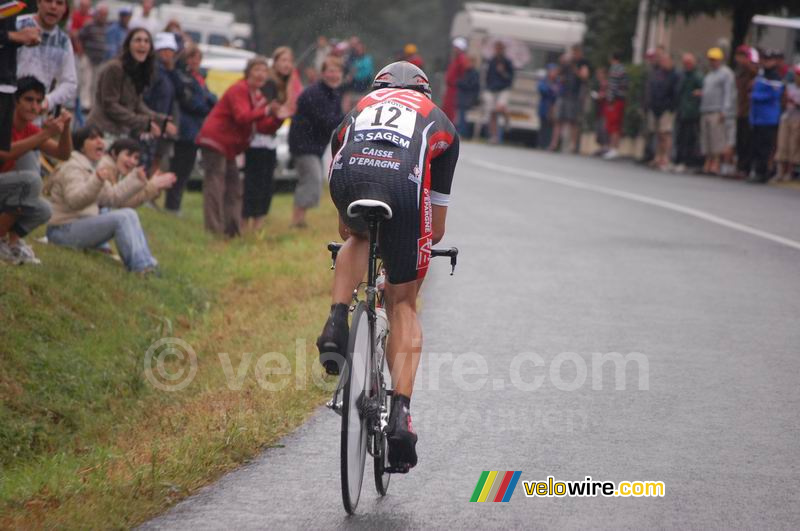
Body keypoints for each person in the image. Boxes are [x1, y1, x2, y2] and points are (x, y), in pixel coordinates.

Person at [318, 61, 460, 472]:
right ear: (425, 93)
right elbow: (434, 231)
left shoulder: (361, 104)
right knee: (403, 303)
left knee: (357, 235)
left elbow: (337, 143)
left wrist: (349, 219)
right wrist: (411, 254)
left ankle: (335, 323)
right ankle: (400, 415)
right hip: (403, 184)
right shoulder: (440, 120)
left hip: (348, 177)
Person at [195, 56, 288, 237]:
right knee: (215, 185)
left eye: (264, 71)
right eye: (257, 70)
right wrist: (267, 110)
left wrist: (278, 117)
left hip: (228, 147)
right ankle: (213, 231)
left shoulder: (258, 96)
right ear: (248, 72)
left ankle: (232, 232)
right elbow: (242, 116)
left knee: (234, 188)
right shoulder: (239, 89)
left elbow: (262, 127)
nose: (261, 74)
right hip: (215, 140)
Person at [46, 126, 159, 273]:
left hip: (76, 226)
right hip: (61, 231)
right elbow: (75, 201)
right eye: (93, 138)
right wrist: (97, 181)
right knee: (122, 218)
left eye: (101, 137)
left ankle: (145, 263)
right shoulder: (73, 166)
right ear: (81, 146)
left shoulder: (92, 167)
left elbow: (113, 198)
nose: (100, 141)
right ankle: (139, 268)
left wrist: (135, 179)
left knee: (129, 213)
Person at [0, 77, 72, 264]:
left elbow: (62, 154)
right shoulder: (3, 121)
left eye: (39, 101)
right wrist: (45, 134)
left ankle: (12, 244)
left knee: (44, 209)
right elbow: (5, 153)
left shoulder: (31, 129)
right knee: (31, 182)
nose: (34, 106)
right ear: (16, 101)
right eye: (28, 99)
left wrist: (65, 129)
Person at [243, 46, 299, 231]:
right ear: (274, 63)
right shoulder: (269, 83)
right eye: (283, 60)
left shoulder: (283, 84)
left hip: (270, 140)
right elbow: (262, 114)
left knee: (266, 185)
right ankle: (246, 227)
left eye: (289, 61)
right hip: (258, 140)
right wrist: (277, 117)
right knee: (255, 185)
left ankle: (257, 227)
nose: (287, 64)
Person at [287, 55, 344, 228]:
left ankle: (300, 219)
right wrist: (348, 119)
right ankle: (297, 220)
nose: (334, 75)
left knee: (314, 179)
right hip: (303, 145)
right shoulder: (316, 93)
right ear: (323, 73)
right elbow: (327, 121)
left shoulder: (332, 93)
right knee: (311, 179)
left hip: (314, 146)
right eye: (330, 71)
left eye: (337, 71)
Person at [87, 28, 175, 139]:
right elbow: (110, 105)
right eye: (138, 40)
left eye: (146, 41)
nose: (142, 44)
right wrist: (144, 123)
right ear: (128, 45)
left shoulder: (137, 71)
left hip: (120, 132)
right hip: (100, 131)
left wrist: (161, 121)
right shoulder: (115, 68)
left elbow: (137, 104)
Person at [166, 43, 216, 214]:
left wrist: (208, 102)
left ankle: (176, 204)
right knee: (179, 167)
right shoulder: (184, 78)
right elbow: (193, 102)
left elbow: (211, 97)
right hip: (186, 129)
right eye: (192, 57)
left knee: (186, 169)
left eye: (198, 58)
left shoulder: (199, 78)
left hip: (196, 130)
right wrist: (208, 106)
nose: (195, 61)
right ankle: (172, 204)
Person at [16, 0, 78, 121]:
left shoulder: (63, 41)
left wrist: (48, 101)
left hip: (35, 113)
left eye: (59, 3)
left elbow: (70, 82)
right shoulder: (18, 25)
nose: (53, 7)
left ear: (65, 9)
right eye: (49, 1)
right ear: (38, 2)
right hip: (8, 103)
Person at [97, 137, 176, 208]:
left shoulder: (113, 169)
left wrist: (153, 186)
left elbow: (123, 202)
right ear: (114, 153)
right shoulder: (105, 168)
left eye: (136, 158)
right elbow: (119, 202)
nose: (132, 161)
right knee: (127, 214)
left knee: (128, 214)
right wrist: (152, 185)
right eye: (128, 155)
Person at [143, 32, 180, 173]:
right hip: (152, 125)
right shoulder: (154, 71)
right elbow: (147, 99)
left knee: (156, 163)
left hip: (163, 126)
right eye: (165, 50)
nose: (168, 54)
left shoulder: (169, 72)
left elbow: (177, 94)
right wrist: (158, 122)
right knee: (147, 164)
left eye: (171, 51)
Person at [748, 50, 785, 184]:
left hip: (768, 118)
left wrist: (755, 96)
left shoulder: (775, 77)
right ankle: (756, 170)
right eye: (764, 59)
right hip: (757, 116)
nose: (765, 62)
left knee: (765, 147)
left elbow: (773, 95)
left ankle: (763, 173)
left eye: (768, 60)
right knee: (756, 145)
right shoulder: (761, 74)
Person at [699, 47, 735, 175]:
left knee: (717, 139)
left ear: (720, 60)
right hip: (706, 109)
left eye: (714, 59)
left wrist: (724, 110)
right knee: (706, 138)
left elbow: (728, 93)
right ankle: (707, 161)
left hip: (717, 110)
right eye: (710, 59)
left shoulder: (726, 73)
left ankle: (716, 163)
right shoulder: (709, 75)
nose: (712, 61)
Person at [646, 53, 678, 170]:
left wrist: (671, 106)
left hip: (667, 109)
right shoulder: (657, 74)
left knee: (665, 133)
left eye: (665, 61)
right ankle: (657, 157)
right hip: (656, 107)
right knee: (658, 134)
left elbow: (675, 93)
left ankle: (665, 157)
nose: (663, 63)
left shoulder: (674, 75)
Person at [674, 53, 703, 173]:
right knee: (679, 137)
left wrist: (698, 93)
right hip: (682, 110)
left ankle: (687, 162)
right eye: (685, 63)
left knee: (689, 138)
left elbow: (703, 91)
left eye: (689, 63)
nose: (687, 65)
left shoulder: (697, 76)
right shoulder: (682, 75)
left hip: (692, 112)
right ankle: (678, 160)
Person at [558, 44, 590, 153]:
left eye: (576, 52)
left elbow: (585, 76)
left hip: (576, 94)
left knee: (574, 121)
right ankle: (557, 143)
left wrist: (576, 70)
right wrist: (562, 63)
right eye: (573, 52)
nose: (574, 54)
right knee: (560, 119)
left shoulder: (583, 63)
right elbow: (559, 74)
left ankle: (573, 145)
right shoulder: (568, 63)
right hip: (565, 93)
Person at [78, 3, 110, 111]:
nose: (103, 16)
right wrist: (81, 53)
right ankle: (85, 104)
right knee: (86, 81)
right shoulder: (89, 25)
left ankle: (94, 105)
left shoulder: (108, 27)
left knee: (97, 83)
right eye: (101, 14)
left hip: (101, 59)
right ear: (97, 14)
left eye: (105, 14)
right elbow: (80, 37)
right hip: (88, 56)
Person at [734, 45, 758, 179]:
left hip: (749, 111)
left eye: (742, 56)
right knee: (740, 140)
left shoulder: (752, 69)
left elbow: (756, 73)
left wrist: (748, 63)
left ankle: (746, 168)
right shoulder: (739, 71)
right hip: (740, 109)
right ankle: (740, 166)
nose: (739, 59)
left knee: (746, 140)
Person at [483, 40, 514, 144]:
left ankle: (507, 121)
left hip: (503, 88)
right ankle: (494, 136)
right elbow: (488, 75)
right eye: (496, 48)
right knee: (492, 112)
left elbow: (510, 78)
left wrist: (503, 72)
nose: (497, 50)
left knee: (500, 107)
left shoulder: (507, 62)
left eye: (500, 49)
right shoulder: (492, 61)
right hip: (492, 88)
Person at [774, 65, 800, 182]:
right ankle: (780, 172)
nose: (797, 77)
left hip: (797, 118)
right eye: (796, 74)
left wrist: (795, 102)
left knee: (793, 145)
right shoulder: (789, 86)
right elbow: (781, 99)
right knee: (782, 144)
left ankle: (790, 172)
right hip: (786, 116)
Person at [603, 51, 628, 160]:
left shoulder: (615, 69)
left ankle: (613, 148)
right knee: (617, 124)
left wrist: (610, 100)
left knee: (613, 124)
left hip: (615, 100)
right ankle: (614, 148)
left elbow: (613, 86)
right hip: (621, 99)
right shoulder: (623, 69)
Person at [442, 37, 469, 122]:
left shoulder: (462, 60)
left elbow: (464, 75)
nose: (454, 49)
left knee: (451, 111)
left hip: (455, 89)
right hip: (450, 88)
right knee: (446, 109)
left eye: (456, 48)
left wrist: (457, 83)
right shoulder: (456, 59)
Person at [456, 55, 481, 139]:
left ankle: (462, 133)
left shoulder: (474, 73)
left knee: (464, 116)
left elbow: (471, 85)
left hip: (468, 97)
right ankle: (461, 131)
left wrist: (461, 83)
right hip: (463, 97)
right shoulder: (465, 72)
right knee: (461, 116)